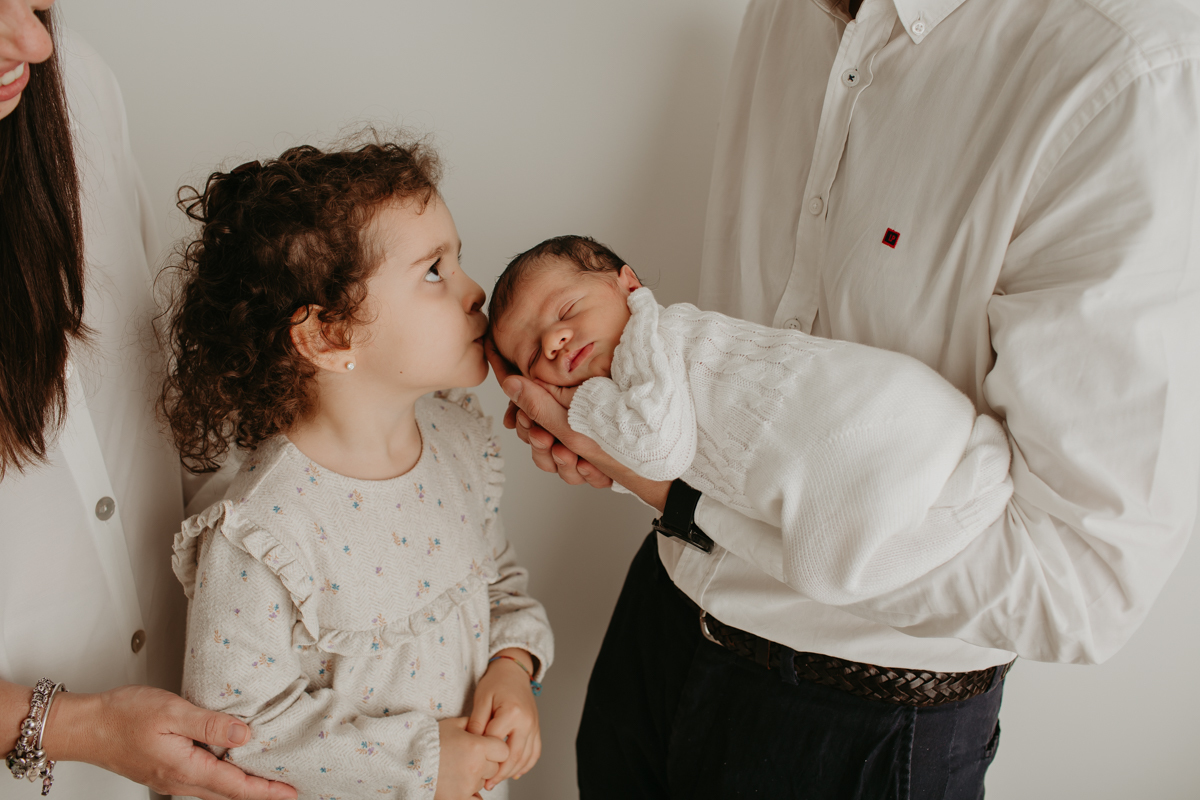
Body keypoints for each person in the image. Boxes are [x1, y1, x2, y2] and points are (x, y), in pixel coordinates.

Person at [488, 0, 1200, 796]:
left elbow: (1079, 587)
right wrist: (629, 448)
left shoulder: (1122, 74)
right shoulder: (784, 15)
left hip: (863, 721)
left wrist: (661, 485)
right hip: (660, 618)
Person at [159, 137, 554, 800]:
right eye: (435, 271)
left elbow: (497, 584)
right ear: (329, 336)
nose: (475, 290)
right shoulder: (262, 530)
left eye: (457, 260)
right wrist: (421, 764)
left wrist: (511, 666)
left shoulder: (458, 446)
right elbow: (238, 726)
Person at [0, 3, 297, 799]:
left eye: (35, 3)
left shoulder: (77, 80)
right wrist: (81, 729)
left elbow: (155, 393)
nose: (34, 42)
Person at [489, 233, 1013, 586]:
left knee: (834, 563)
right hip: (849, 430)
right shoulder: (633, 385)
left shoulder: (646, 338)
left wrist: (578, 406)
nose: (554, 341)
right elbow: (672, 447)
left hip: (852, 405)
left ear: (628, 285)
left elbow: (659, 452)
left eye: (566, 310)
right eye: (533, 355)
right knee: (846, 549)